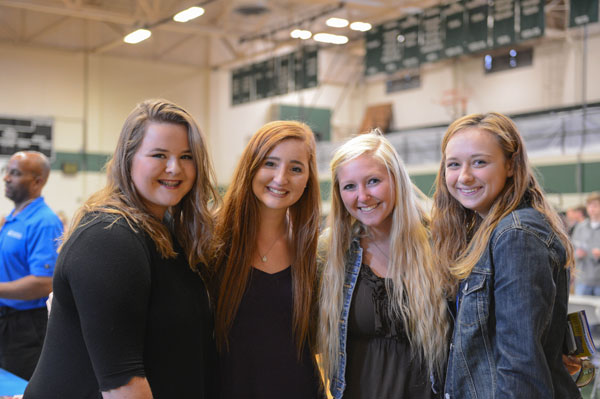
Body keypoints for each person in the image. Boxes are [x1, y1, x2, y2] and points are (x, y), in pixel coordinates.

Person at [24, 99, 219, 398]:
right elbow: (123, 387)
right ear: (128, 159)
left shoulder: (169, 230)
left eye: (186, 156)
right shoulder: (109, 238)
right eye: (159, 155)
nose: (174, 168)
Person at [430, 112, 580, 398]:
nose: (464, 176)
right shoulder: (484, 232)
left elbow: (521, 364)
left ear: (511, 165)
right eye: (453, 164)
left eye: (480, 162)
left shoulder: (516, 234)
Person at [318, 130, 450, 399]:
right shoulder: (332, 252)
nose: (363, 196)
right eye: (350, 186)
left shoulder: (440, 243)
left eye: (373, 181)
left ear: (396, 180)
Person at [211, 120, 323, 399]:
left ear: (308, 178)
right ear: (251, 166)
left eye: (296, 168)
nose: (281, 178)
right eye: (270, 164)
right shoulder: (210, 240)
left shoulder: (311, 249)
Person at [0, 151, 63, 380]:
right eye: (7, 171)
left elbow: (43, 283)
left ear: (38, 181)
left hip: (25, 327)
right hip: (6, 318)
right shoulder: (15, 216)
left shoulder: (44, 222)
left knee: (18, 388)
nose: (6, 178)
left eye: (15, 173)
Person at [572, 192, 600, 296]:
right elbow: (571, 252)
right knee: (580, 312)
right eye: (589, 205)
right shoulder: (580, 228)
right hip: (582, 281)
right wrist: (577, 254)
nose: (592, 209)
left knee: (597, 312)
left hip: (598, 282)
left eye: (595, 205)